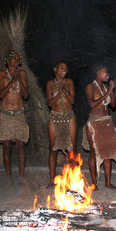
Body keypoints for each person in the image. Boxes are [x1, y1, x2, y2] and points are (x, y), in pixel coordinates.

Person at [0, 50, 29, 184]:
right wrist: (12, 80)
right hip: (5, 114)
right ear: (7, 61)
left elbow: (25, 95)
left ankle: (21, 177)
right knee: (6, 146)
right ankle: (8, 177)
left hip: (19, 114)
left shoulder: (22, 74)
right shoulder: (2, 74)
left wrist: (20, 80)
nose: (17, 60)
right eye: (14, 58)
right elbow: (1, 94)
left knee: (21, 146)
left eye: (18, 58)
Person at [82, 64, 116, 190]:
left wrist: (111, 91)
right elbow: (92, 104)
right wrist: (109, 91)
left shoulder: (105, 87)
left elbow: (113, 106)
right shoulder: (90, 86)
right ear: (98, 73)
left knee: (108, 153)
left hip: (107, 122)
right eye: (105, 71)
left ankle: (108, 182)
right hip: (95, 122)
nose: (108, 74)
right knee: (94, 153)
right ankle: (94, 183)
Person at [46, 60, 76, 188]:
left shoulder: (69, 82)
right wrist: (58, 93)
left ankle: (71, 180)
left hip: (69, 117)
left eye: (66, 68)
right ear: (55, 69)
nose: (64, 70)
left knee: (71, 149)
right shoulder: (50, 84)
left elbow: (72, 101)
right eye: (61, 67)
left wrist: (66, 92)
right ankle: (52, 180)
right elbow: (49, 103)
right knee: (53, 149)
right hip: (55, 117)